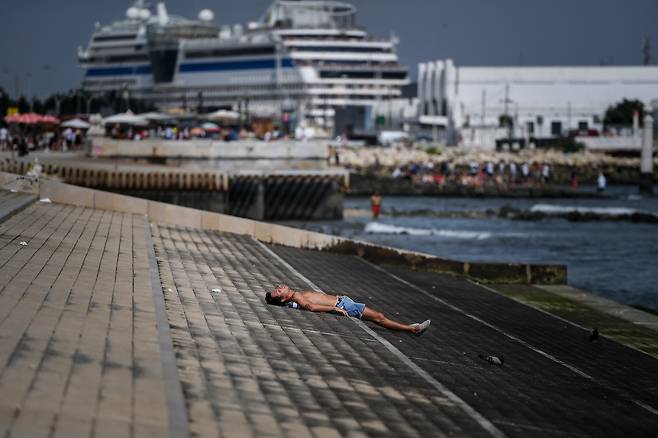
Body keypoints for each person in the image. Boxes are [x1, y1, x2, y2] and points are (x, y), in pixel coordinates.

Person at [265, 285, 431, 335]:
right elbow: (311, 306)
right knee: (379, 317)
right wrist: (334, 307)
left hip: (343, 301)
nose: (280, 287)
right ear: (284, 298)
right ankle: (412, 329)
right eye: (279, 291)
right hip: (344, 306)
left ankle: (411, 328)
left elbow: (315, 300)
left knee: (378, 317)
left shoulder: (295, 297)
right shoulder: (297, 297)